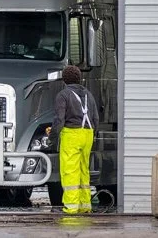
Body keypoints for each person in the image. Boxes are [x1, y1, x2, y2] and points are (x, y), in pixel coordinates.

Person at [50, 65, 99, 214]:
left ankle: (70, 207)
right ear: (79, 78)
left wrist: (52, 137)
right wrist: (92, 134)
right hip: (88, 134)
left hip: (72, 134)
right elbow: (96, 118)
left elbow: (59, 120)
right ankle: (84, 206)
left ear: (64, 79)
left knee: (70, 170)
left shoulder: (63, 95)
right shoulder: (88, 94)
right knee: (84, 170)